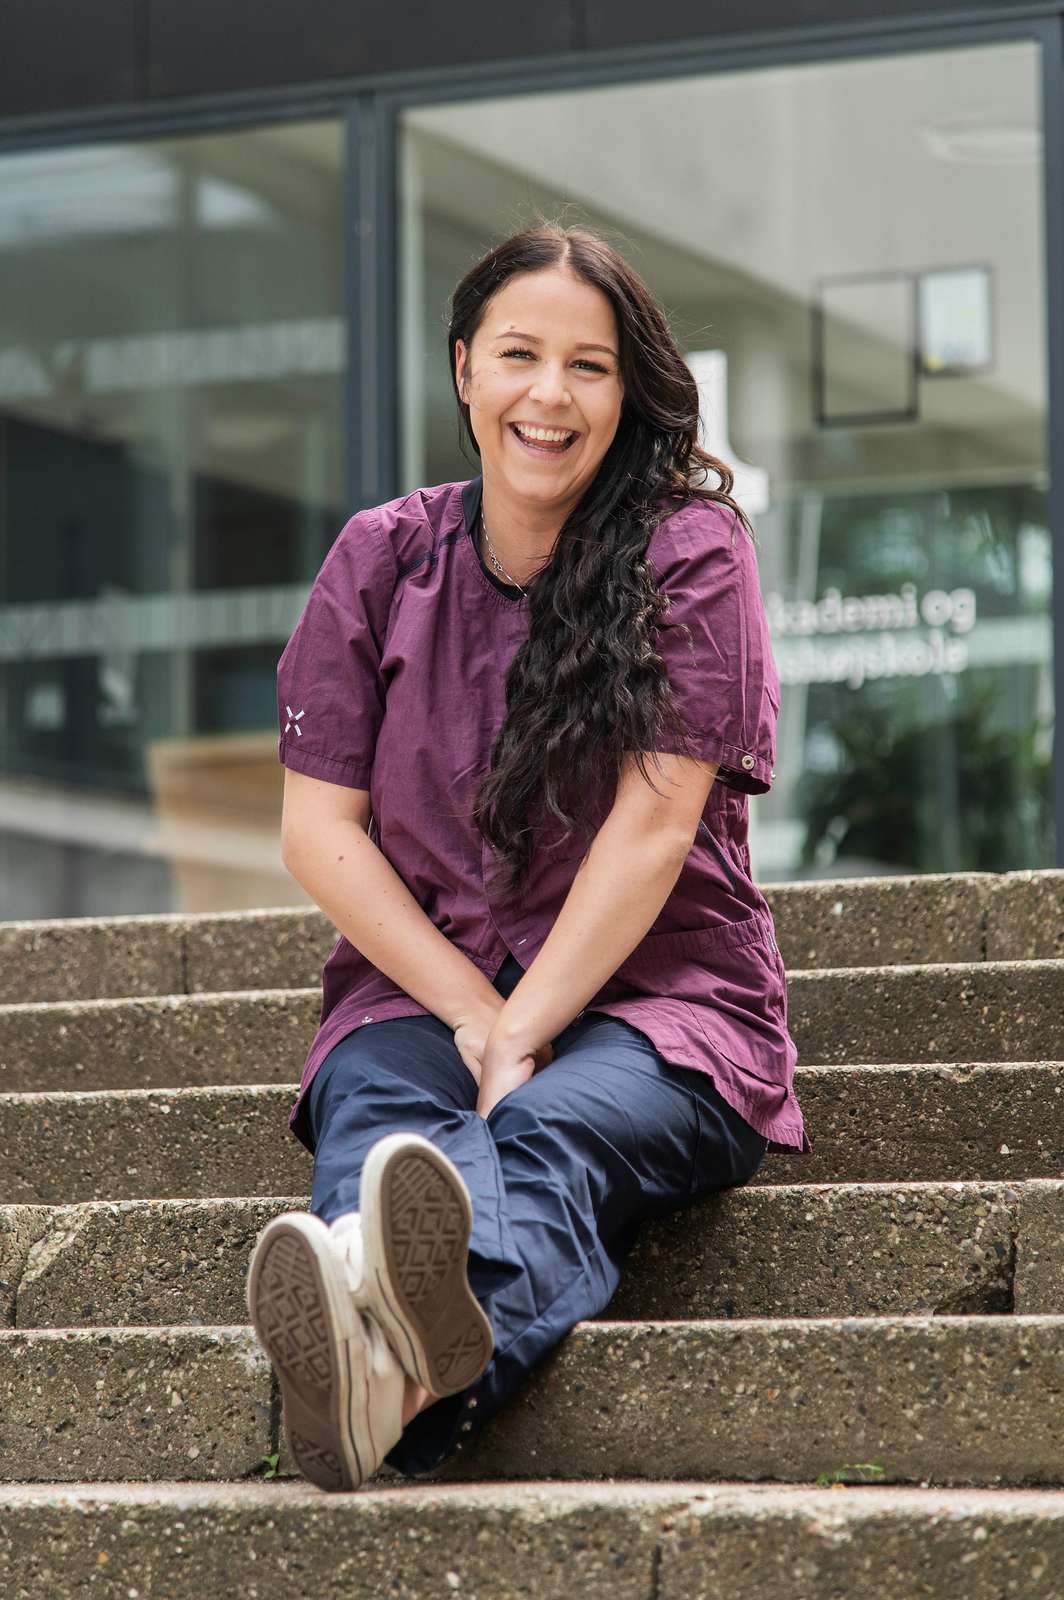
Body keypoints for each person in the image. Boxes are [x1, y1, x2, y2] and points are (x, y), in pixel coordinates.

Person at [246, 219, 813, 1495]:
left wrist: (524, 1035)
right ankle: (399, 1380)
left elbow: (654, 825)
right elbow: (316, 828)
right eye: (518, 354)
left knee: (547, 1132)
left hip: (665, 1007)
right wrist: (473, 1015)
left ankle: (375, 1383)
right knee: (382, 1138)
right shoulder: (380, 559)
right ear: (462, 370)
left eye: (589, 366)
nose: (547, 395)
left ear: (629, 391)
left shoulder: (689, 552)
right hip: (417, 990)